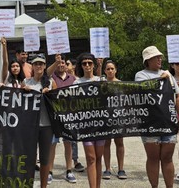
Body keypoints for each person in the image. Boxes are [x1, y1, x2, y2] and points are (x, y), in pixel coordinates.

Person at [136, 46, 179, 188]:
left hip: (168, 121)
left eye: (160, 57)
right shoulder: (140, 75)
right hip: (149, 123)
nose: (159, 59)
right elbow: (143, 89)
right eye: (155, 57)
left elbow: (178, 97)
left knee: (167, 158)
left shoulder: (168, 75)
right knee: (153, 158)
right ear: (148, 60)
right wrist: (159, 79)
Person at [23, 54, 56, 187]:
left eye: (41, 64)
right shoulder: (26, 82)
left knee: (44, 159)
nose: (38, 66)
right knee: (29, 158)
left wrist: (51, 94)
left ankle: (43, 186)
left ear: (44, 66)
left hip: (46, 125)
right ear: (32, 66)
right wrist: (23, 91)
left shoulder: (51, 82)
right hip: (30, 126)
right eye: (36, 64)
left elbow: (59, 102)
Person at [46, 54, 78, 183]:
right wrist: (56, 61)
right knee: (52, 144)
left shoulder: (73, 78)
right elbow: (47, 71)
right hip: (54, 117)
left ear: (66, 64)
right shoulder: (50, 77)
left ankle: (69, 170)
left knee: (68, 144)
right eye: (58, 63)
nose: (60, 65)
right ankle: (49, 171)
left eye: (63, 62)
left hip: (69, 116)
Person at [76, 52, 105, 188]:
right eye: (84, 63)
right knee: (91, 158)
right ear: (81, 66)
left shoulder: (101, 81)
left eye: (90, 63)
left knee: (99, 158)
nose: (87, 65)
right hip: (86, 125)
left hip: (100, 125)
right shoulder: (77, 82)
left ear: (94, 65)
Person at [102, 60, 127, 180]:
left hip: (118, 117)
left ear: (116, 70)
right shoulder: (102, 84)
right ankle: (107, 169)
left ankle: (121, 169)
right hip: (106, 117)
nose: (110, 71)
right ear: (105, 71)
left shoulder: (121, 84)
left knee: (119, 143)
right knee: (106, 143)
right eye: (108, 69)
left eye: (112, 68)